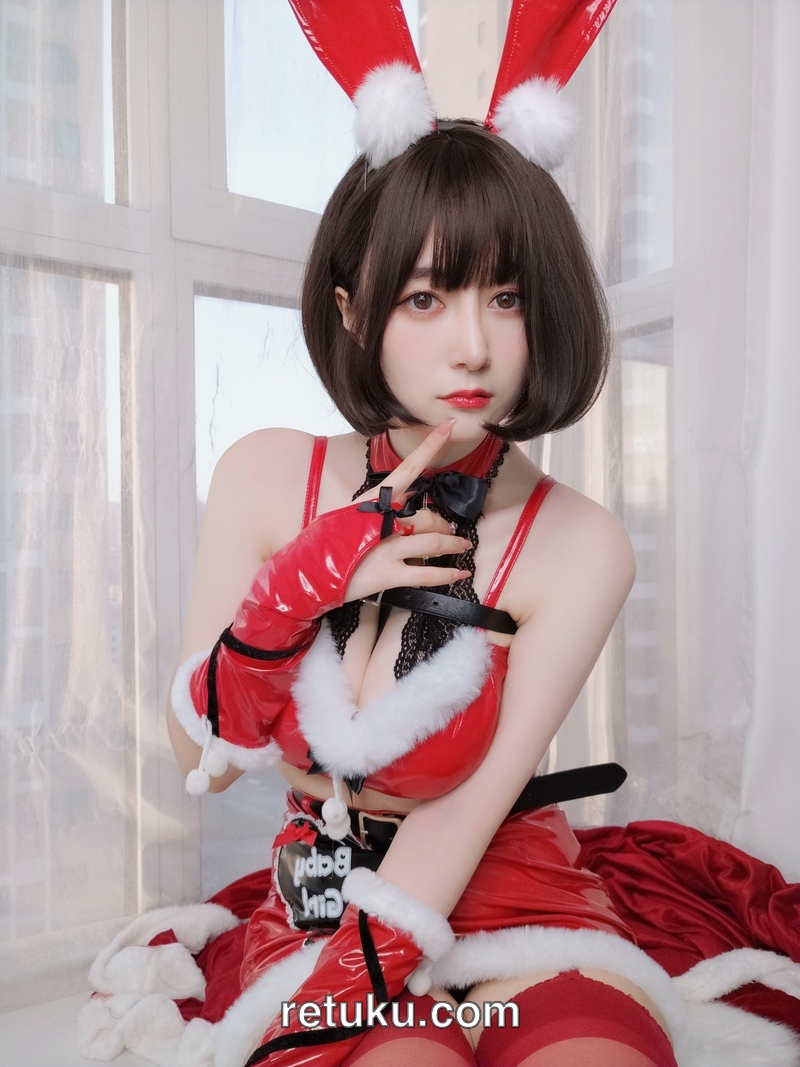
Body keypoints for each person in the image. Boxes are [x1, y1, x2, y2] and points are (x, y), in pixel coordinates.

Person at [165, 119, 681, 1067]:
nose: (473, 347)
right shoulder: (264, 475)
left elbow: (458, 816)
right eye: (425, 297)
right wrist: (308, 579)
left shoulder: (583, 543)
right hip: (323, 891)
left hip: (513, 892)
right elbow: (204, 754)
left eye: (507, 297)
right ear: (352, 310)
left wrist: (334, 1003)